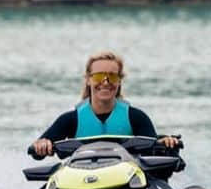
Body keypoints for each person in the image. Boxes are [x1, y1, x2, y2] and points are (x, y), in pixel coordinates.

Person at [30, 50, 179, 157]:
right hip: (81, 184)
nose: (106, 82)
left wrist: (166, 143)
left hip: (128, 187)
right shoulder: (70, 120)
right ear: (88, 79)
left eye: (112, 77)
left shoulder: (136, 118)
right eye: (99, 76)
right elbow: (38, 150)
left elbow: (154, 151)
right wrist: (41, 145)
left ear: (120, 80)